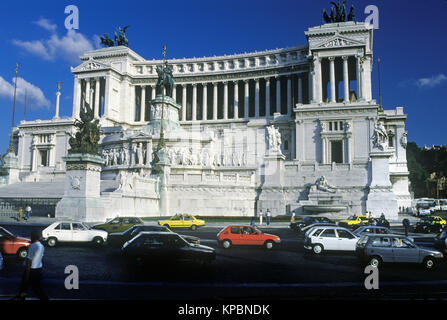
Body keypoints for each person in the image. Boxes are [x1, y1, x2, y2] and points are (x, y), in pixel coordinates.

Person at [13, 230, 48, 300]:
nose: (30, 237)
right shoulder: (41, 246)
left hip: (31, 270)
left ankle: (22, 296)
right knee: (32, 286)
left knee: (32, 286)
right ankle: (21, 295)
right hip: (38, 269)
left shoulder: (32, 246)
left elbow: (29, 260)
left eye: (31, 236)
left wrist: (27, 273)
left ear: (33, 237)